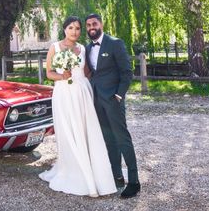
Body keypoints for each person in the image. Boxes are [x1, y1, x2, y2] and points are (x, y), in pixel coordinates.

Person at [38, 16, 117, 197]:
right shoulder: (55, 47)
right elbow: (49, 73)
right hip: (64, 93)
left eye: (78, 28)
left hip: (82, 92)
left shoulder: (82, 48)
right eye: (71, 28)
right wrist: (62, 76)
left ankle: (92, 165)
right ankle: (73, 168)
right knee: (68, 131)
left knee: (85, 129)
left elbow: (88, 71)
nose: (75, 31)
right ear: (65, 29)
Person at [85, 13, 140, 198]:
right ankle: (117, 176)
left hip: (113, 99)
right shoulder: (87, 47)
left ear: (101, 24)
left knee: (122, 138)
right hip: (97, 101)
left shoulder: (115, 43)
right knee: (109, 140)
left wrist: (119, 95)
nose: (91, 27)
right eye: (88, 25)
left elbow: (127, 72)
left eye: (94, 23)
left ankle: (134, 181)